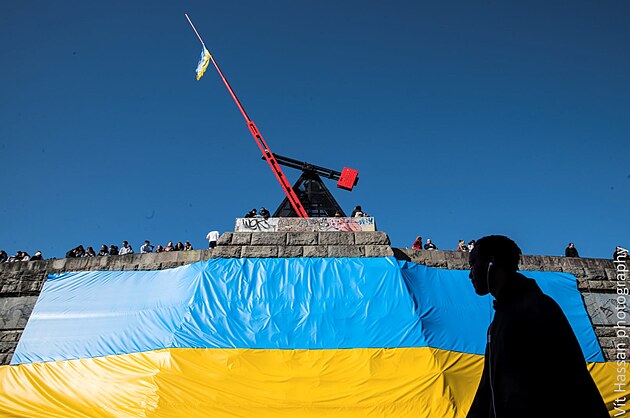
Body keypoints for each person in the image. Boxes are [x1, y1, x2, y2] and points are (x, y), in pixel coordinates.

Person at [466, 235, 608, 418]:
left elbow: (567, 382)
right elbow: (487, 390)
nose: (470, 273)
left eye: (473, 264)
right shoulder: (503, 319)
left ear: (491, 263)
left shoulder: (534, 309)